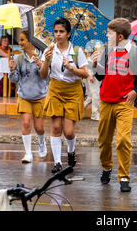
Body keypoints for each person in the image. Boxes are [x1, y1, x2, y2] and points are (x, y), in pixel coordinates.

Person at [92, 17, 137, 192]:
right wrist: (96, 65)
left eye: (109, 33)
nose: (107, 35)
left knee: (123, 140)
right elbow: (100, 77)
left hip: (124, 103)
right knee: (103, 140)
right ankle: (106, 167)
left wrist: (135, 92)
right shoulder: (106, 51)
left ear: (119, 36)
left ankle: (124, 176)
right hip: (105, 101)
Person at [40, 18, 89, 174]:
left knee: (68, 132)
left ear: (68, 34)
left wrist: (70, 67)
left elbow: (85, 73)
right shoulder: (49, 50)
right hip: (55, 90)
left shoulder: (76, 51)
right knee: (55, 128)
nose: (58, 34)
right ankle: (57, 162)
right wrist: (46, 62)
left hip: (73, 91)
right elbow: (42, 75)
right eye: (56, 31)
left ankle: (71, 150)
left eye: (61, 31)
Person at [8, 30, 48, 164]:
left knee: (39, 128)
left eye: (22, 40)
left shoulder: (42, 57)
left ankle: (42, 143)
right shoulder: (19, 58)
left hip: (40, 96)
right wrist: (12, 69)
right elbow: (14, 80)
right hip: (24, 95)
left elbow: (46, 77)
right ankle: (28, 153)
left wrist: (41, 65)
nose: (20, 43)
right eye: (19, 40)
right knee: (26, 123)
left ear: (30, 42)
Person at [84, 46, 101, 121]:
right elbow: (87, 68)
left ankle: (78, 110)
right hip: (92, 78)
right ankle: (94, 113)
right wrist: (91, 75)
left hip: (97, 78)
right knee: (95, 95)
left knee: (91, 96)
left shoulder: (99, 57)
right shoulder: (89, 58)